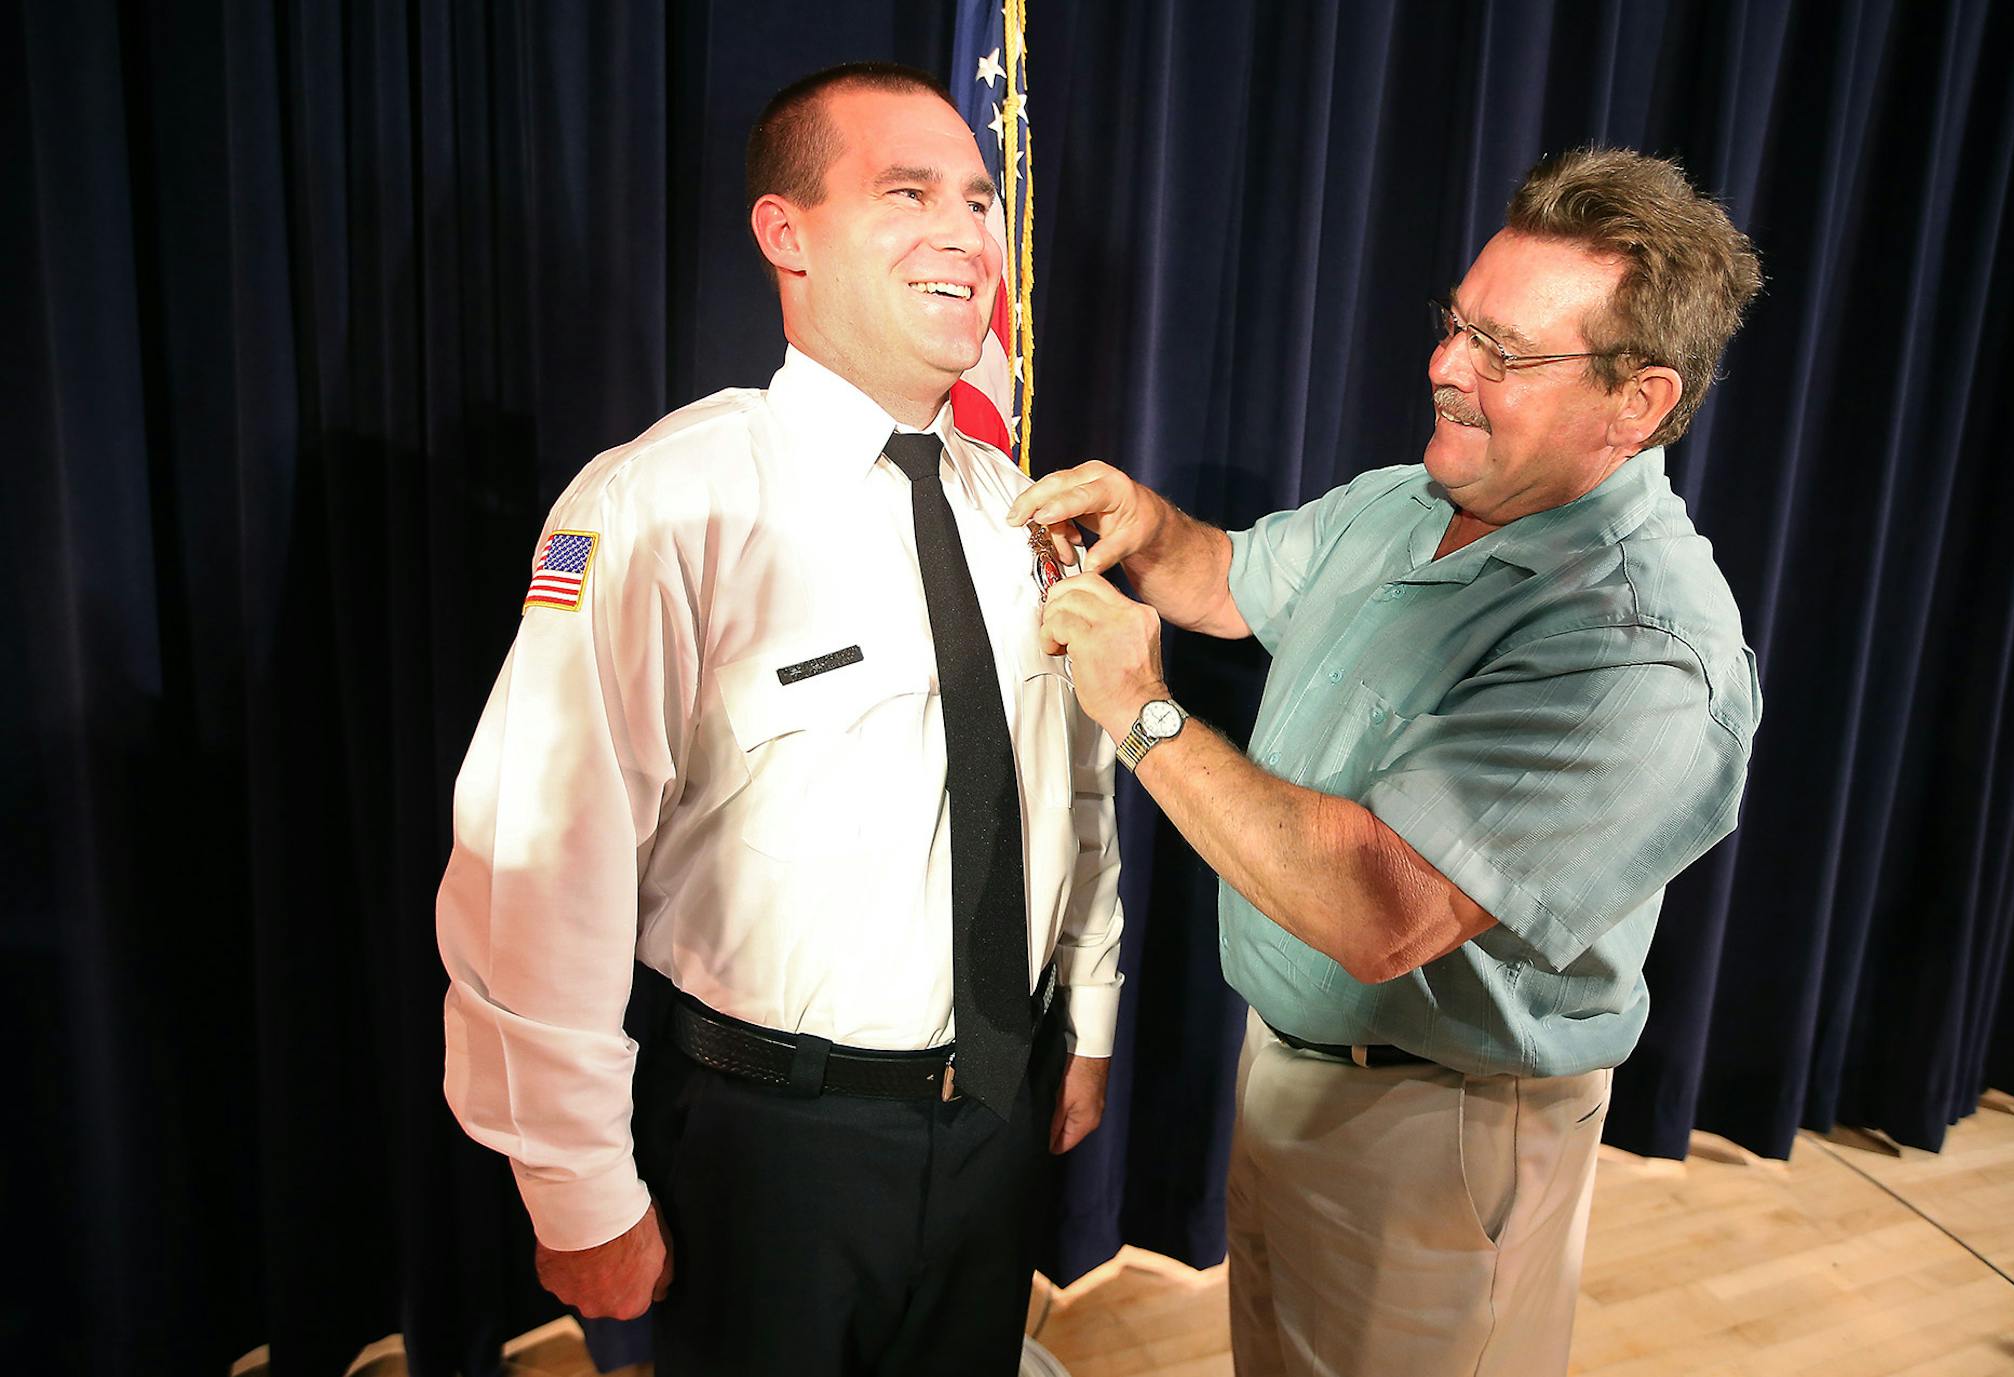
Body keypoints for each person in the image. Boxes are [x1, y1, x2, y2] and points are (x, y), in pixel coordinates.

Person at [1010, 146, 1763, 1376]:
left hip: (1440, 1141)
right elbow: (1235, 578)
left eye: (1504, 352)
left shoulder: (1643, 657)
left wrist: (1144, 715)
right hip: (1304, 1086)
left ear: (1638, 402)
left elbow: (1383, 912)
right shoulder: (1421, 497)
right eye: (1457, 322)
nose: (1445, 367)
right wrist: (1149, 526)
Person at [437, 62, 1123, 1376]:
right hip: (773, 1150)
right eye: (906, 193)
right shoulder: (658, 506)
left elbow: (1069, 783)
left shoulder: (1021, 508)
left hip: (994, 1113)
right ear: (785, 232)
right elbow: (539, 860)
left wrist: (1082, 1012)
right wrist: (576, 1185)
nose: (966, 235)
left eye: (978, 200)